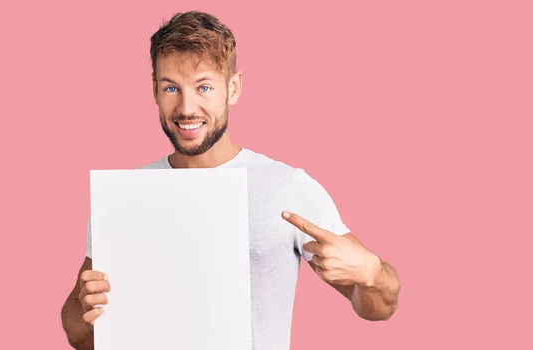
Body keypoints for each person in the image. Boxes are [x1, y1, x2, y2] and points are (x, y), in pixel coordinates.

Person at [60, 10, 401, 350]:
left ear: (233, 88)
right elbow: (80, 334)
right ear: (154, 91)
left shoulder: (286, 186)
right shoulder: (125, 197)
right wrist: (85, 308)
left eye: (203, 87)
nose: (186, 107)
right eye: (171, 88)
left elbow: (379, 307)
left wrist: (370, 274)